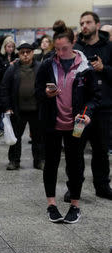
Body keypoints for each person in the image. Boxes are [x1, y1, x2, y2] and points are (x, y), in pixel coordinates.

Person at [35, 20, 100, 224]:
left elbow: (94, 97)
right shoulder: (47, 64)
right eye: (58, 49)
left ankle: (74, 205)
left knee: (75, 164)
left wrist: (87, 113)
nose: (61, 52)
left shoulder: (85, 67)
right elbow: (37, 91)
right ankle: (51, 204)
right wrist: (46, 93)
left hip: (76, 125)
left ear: (73, 44)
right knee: (51, 163)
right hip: (52, 123)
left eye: (65, 48)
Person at [68, 11, 112, 200]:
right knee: (76, 150)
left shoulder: (109, 47)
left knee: (101, 150)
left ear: (97, 24)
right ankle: (74, 188)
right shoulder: (75, 49)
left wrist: (105, 69)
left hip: (104, 109)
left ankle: (102, 187)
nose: (84, 26)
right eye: (81, 23)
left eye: (87, 22)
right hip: (81, 111)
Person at [0, 42, 44, 170]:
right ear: (19, 54)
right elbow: (4, 88)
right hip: (17, 109)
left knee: (38, 137)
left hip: (36, 109)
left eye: (28, 52)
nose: (25, 55)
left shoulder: (40, 67)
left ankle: (39, 160)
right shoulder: (12, 68)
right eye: (22, 52)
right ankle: (14, 161)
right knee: (16, 138)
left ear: (32, 53)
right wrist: (7, 107)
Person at [0, 36, 18, 142]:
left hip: (12, 90)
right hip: (0, 89)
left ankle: (11, 133)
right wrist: (8, 66)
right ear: (4, 47)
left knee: (12, 114)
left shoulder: (16, 57)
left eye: (12, 47)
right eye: (8, 46)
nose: (10, 49)